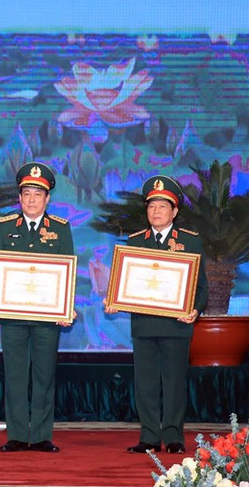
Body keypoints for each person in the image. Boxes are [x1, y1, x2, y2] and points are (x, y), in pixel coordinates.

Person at [109, 175, 207, 455]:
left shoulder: (189, 243)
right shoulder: (135, 241)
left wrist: (195, 311)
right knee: (146, 384)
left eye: (162, 207)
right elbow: (125, 284)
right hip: (144, 326)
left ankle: (174, 437)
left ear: (174, 211)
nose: (156, 212)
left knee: (174, 383)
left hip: (177, 326)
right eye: (152, 207)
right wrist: (115, 300)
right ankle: (149, 436)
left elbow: (201, 287)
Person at [0, 162, 74, 453]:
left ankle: (42, 436)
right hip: (12, 317)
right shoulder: (6, 227)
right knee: (15, 375)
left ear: (47, 199)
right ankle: (18, 435)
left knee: (44, 375)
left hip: (48, 317)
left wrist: (67, 306)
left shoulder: (60, 229)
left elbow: (68, 271)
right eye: (27, 193)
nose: (32, 199)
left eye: (38, 194)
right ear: (19, 198)